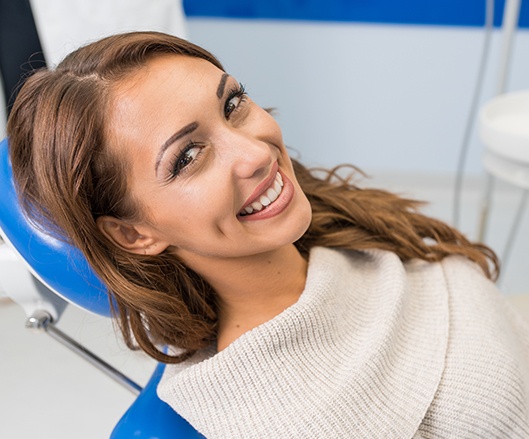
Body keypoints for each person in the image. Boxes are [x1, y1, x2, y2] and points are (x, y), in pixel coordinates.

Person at [6, 31, 529, 438]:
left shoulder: (344, 227)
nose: (257, 152)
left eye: (232, 104)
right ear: (134, 232)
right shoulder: (280, 414)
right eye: (188, 158)